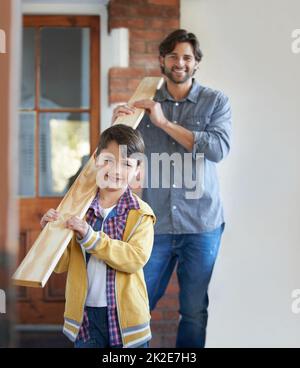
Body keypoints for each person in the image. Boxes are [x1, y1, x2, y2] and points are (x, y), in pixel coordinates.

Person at [112, 29, 232, 348]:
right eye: (173, 56)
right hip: (156, 225)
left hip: (202, 224)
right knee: (137, 307)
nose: (180, 62)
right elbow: (123, 162)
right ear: (162, 60)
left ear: (197, 64)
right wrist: (116, 127)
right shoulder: (143, 106)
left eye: (187, 57)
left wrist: (164, 123)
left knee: (193, 311)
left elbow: (218, 150)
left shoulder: (215, 102)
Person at [40, 124, 156, 348]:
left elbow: (134, 259)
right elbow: (62, 265)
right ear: (95, 160)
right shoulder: (77, 210)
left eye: (127, 164)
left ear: (138, 170)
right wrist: (50, 235)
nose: (115, 170)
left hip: (128, 323)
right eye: (108, 160)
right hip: (86, 319)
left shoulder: (141, 215)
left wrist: (90, 238)